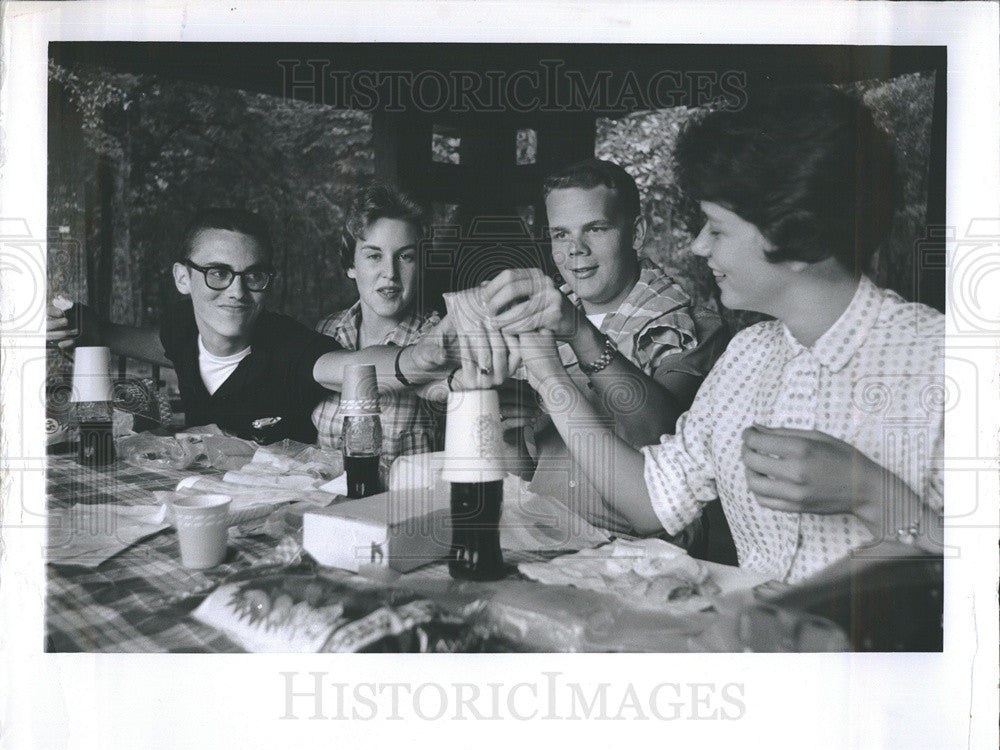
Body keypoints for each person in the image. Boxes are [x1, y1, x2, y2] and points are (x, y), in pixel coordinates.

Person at [516, 85, 943, 583]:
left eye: (717, 229)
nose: (697, 246)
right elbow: (651, 501)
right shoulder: (747, 357)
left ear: (797, 234)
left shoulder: (945, 361)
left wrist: (872, 493)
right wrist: (547, 372)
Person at [47, 207, 455, 444]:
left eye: (253, 275)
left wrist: (420, 356)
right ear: (182, 278)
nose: (237, 291)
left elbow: (354, 367)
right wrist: (88, 327)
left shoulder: (290, 344)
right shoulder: (181, 331)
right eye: (218, 273)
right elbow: (139, 341)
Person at [473, 158, 729, 533]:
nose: (575, 249)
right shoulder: (534, 323)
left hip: (640, 556)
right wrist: (509, 432)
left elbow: (662, 438)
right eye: (560, 234)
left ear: (636, 233)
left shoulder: (696, 327)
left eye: (595, 228)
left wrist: (579, 333)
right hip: (546, 540)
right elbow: (527, 478)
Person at [311, 182, 442, 461]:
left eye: (405, 257)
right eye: (374, 256)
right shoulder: (325, 332)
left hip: (406, 503)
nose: (390, 273)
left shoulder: (437, 338)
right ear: (350, 265)